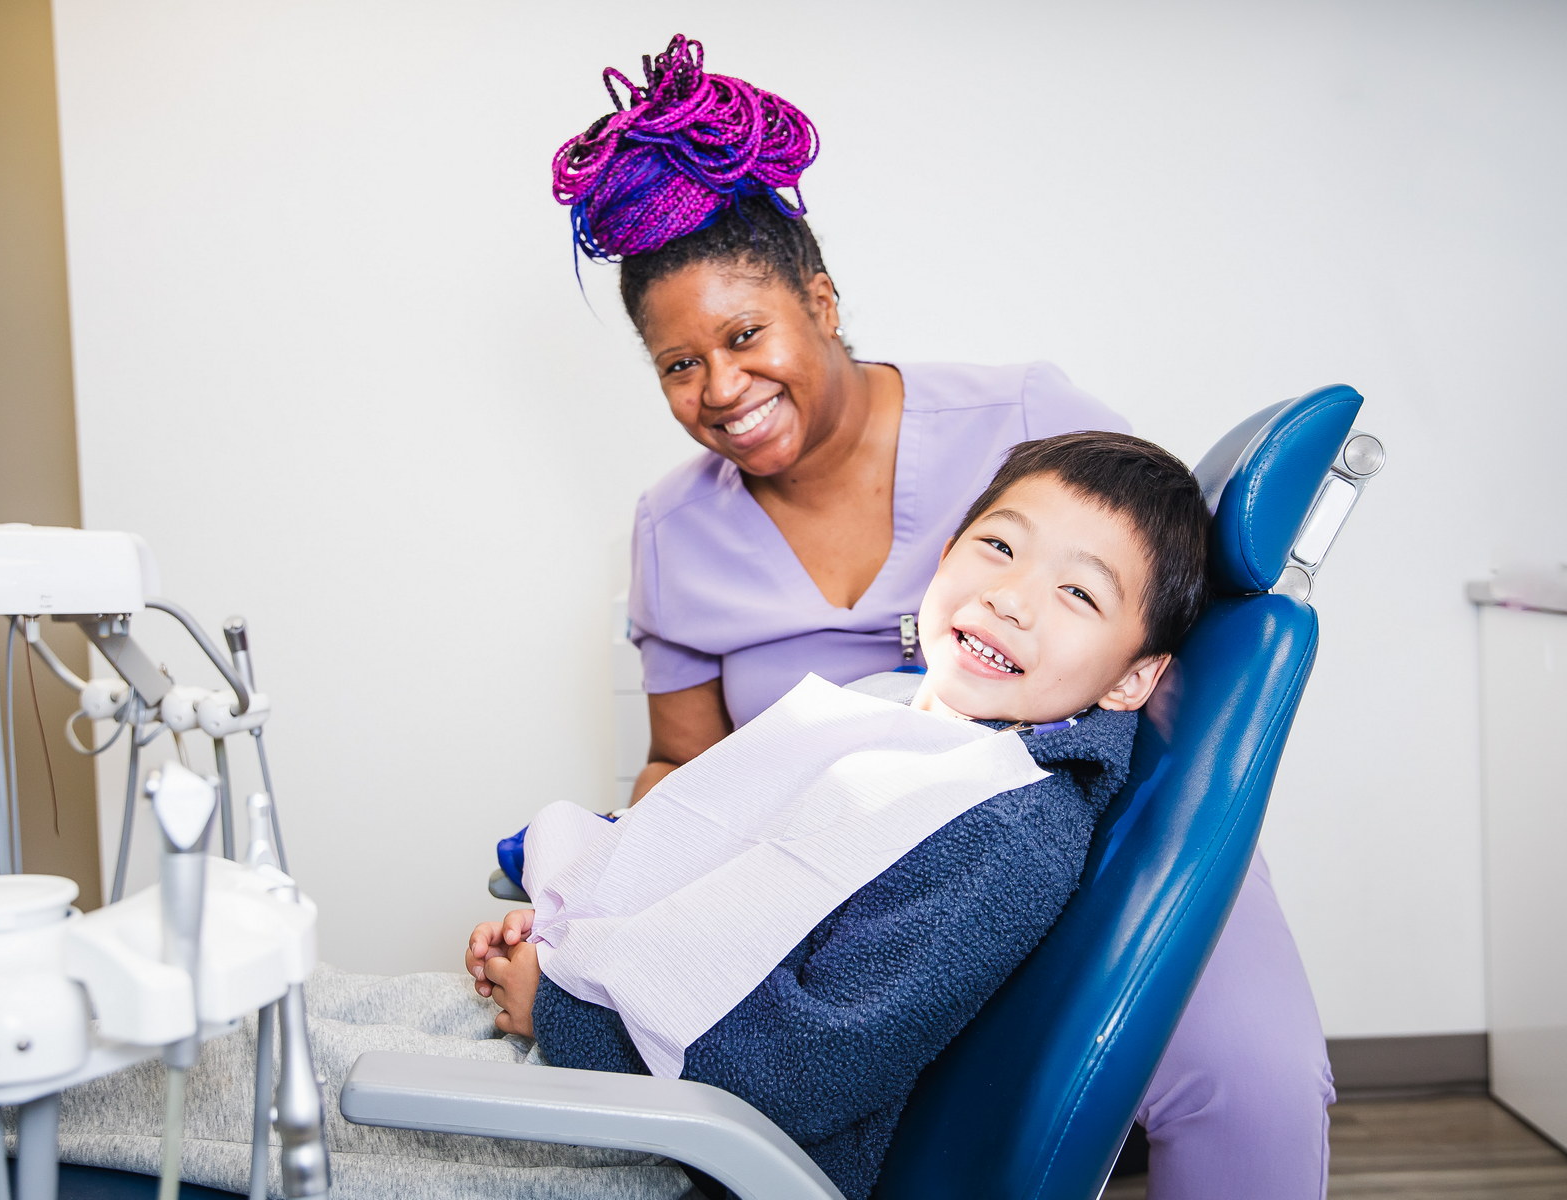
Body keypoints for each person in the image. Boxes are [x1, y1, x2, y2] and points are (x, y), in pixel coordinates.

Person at [553, 34, 1335, 1200]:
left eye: (746, 336)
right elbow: (684, 763)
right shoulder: (674, 528)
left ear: (818, 301)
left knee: (1244, 1081)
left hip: (1078, 841)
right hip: (870, 911)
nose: (719, 389)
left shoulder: (1023, 415)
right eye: (676, 364)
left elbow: (1166, 608)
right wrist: (611, 905)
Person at [52, 431, 1206, 1200]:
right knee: (253, 1004)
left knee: (156, 1079)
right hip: (618, 1069)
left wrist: (561, 1009)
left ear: (1127, 680)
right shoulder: (901, 724)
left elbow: (805, 1077)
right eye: (996, 547)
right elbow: (714, 886)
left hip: (680, 1156)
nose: (1010, 593)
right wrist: (564, 941)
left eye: (1075, 591)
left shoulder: (1001, 831)